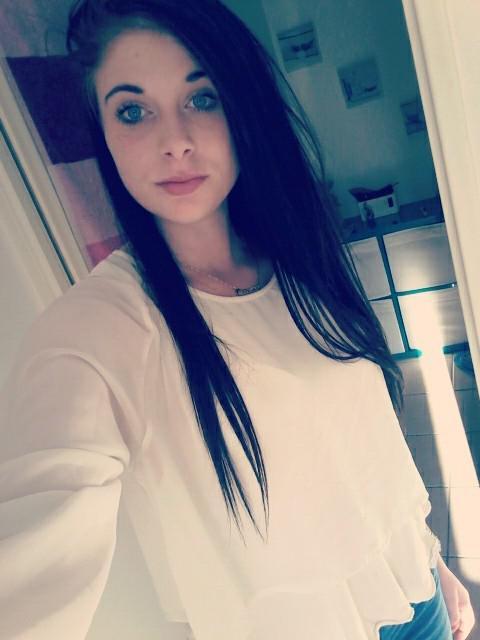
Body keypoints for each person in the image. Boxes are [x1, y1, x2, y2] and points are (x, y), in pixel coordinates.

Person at [0, 0, 474, 638]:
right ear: (103, 133)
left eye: (202, 98)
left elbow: (367, 445)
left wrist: (432, 562)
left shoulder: (302, 256)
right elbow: (29, 572)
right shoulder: (98, 332)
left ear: (241, 107)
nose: (175, 141)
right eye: (133, 111)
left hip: (416, 599)